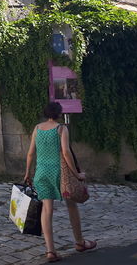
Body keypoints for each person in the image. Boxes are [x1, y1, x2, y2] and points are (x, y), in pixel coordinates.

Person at [23, 101, 97, 262]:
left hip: (41, 172)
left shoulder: (37, 129)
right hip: (60, 173)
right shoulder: (61, 129)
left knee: (47, 210)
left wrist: (27, 173)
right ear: (58, 114)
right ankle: (80, 242)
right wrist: (76, 174)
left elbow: (30, 154)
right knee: (71, 205)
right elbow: (65, 152)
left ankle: (50, 251)